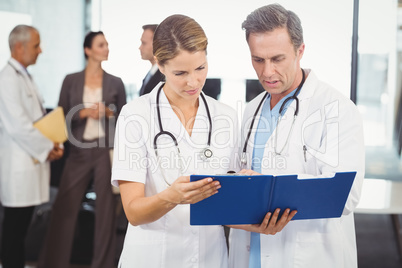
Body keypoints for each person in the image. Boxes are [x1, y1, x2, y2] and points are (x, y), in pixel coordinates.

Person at [228, 4, 365, 268]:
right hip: (249, 254)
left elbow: (345, 195)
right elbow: (237, 176)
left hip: (306, 256)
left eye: (277, 59)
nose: (267, 72)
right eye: (258, 59)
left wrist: (269, 187)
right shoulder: (251, 109)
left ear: (300, 51)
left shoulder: (336, 109)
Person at [111, 14, 239, 267]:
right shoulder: (135, 115)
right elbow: (133, 212)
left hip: (210, 257)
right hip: (153, 257)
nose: (193, 82)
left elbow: (227, 201)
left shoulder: (226, 116)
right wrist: (172, 196)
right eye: (180, 72)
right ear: (159, 64)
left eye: (200, 68)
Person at [38, 31, 126, 268]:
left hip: (105, 151)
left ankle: (104, 264)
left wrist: (109, 112)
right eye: (101, 44)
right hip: (78, 151)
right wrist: (84, 112)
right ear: (88, 50)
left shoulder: (116, 82)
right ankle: (53, 263)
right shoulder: (71, 80)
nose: (106, 48)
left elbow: (125, 117)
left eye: (107, 44)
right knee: (64, 207)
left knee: (107, 214)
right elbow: (60, 115)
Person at [0, 25, 64, 268]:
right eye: (36, 45)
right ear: (19, 47)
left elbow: (37, 120)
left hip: (31, 162)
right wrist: (48, 147)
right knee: (14, 231)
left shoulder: (24, 76)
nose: (41, 50)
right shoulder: (6, 79)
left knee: (21, 229)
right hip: (18, 165)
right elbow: (18, 126)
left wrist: (52, 143)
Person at [138, 24, 165, 96]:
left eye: (143, 43)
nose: (140, 47)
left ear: (157, 44)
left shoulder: (165, 75)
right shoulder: (150, 74)